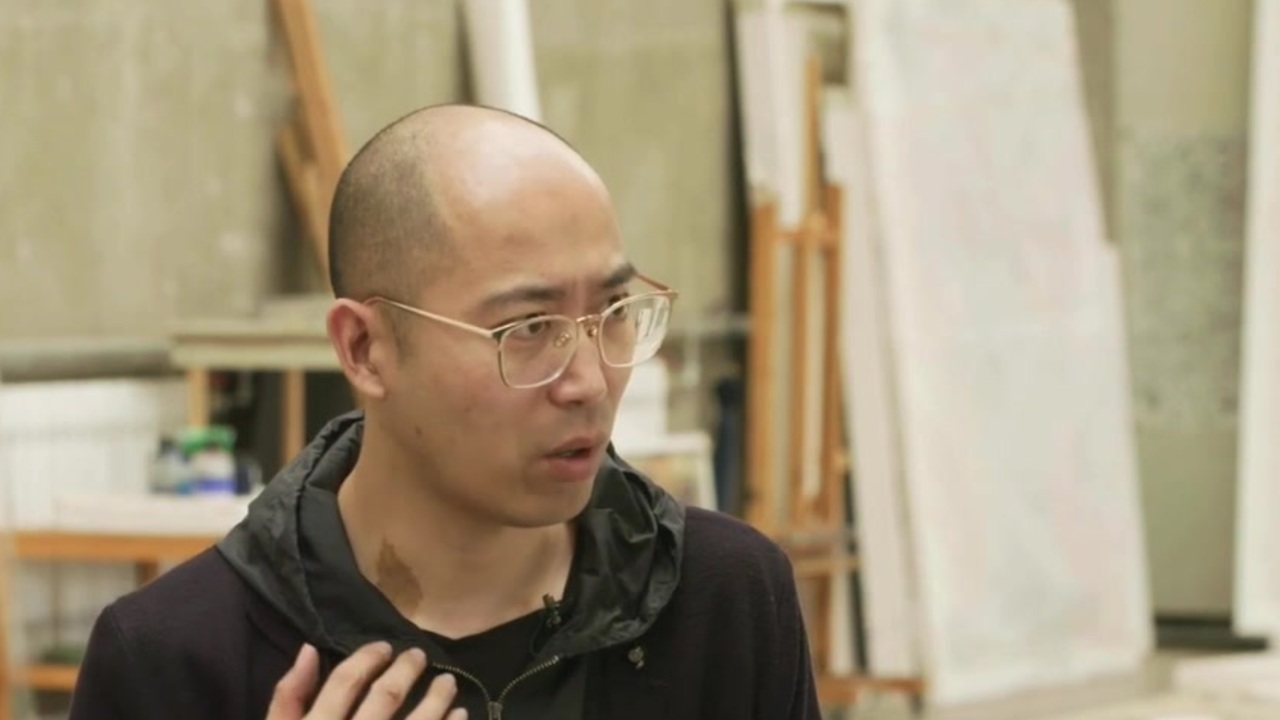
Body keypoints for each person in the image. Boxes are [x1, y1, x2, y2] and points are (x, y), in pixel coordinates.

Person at [67, 104, 821, 720]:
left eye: (614, 311)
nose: (590, 382)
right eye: (528, 329)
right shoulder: (173, 661)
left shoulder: (725, 603)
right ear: (365, 348)